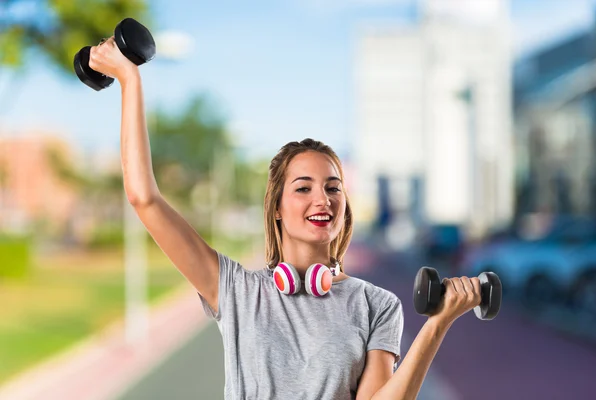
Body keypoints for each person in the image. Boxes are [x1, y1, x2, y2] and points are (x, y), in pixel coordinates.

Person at [89, 37, 483, 400]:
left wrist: (437, 324)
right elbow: (144, 199)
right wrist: (129, 79)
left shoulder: (376, 304)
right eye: (303, 187)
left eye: (333, 187)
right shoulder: (237, 291)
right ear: (276, 207)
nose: (322, 200)